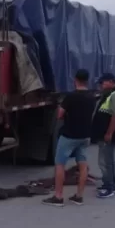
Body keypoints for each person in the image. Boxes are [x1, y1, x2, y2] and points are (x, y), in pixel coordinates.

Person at [42, 69, 97, 207]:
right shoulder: (92, 97)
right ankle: (79, 196)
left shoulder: (71, 97)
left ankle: (58, 196)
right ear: (87, 80)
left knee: (60, 164)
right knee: (83, 165)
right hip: (85, 136)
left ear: (75, 80)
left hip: (69, 135)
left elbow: (60, 115)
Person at [90, 72, 115, 198]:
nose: (101, 85)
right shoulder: (109, 94)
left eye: (103, 82)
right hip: (107, 135)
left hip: (112, 136)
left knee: (107, 162)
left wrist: (109, 133)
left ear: (111, 81)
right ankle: (108, 183)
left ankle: (109, 187)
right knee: (106, 161)